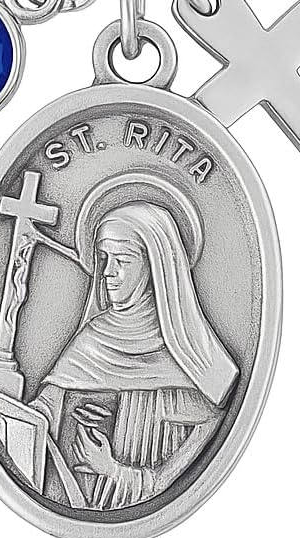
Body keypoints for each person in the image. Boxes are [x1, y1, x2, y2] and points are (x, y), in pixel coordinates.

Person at [31, 201, 239, 510]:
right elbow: (41, 414)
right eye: (103, 258)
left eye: (122, 260)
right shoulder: (90, 340)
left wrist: (113, 470)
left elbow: (167, 481)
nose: (107, 272)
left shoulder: (195, 366)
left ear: (155, 265)